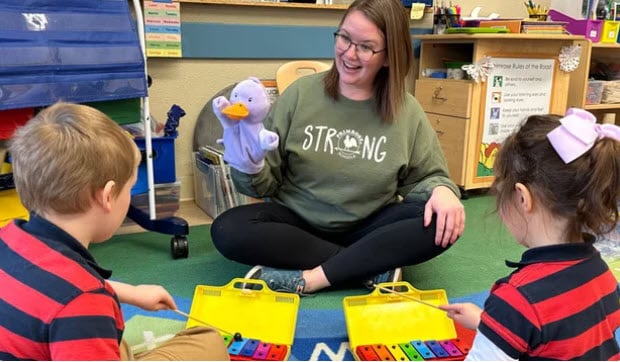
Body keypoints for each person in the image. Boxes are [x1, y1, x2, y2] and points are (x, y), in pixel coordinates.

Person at [210, 0, 465, 296]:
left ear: (389, 57)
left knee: (443, 222)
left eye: (366, 46)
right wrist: (249, 166)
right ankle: (366, 265)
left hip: (370, 224)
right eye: (344, 37)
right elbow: (261, 187)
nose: (349, 53)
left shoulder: (407, 111)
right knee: (228, 230)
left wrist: (443, 191)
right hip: (297, 224)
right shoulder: (300, 94)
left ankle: (314, 277)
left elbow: (428, 177)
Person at [0, 102, 229, 360]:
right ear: (108, 196)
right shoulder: (83, 304)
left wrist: (133, 293)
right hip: (75, 335)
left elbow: (50, 285)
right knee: (208, 342)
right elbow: (75, 295)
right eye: (129, 188)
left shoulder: (8, 238)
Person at [440, 108, 620, 360]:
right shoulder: (603, 275)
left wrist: (504, 318)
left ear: (523, 198)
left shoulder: (517, 301)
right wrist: (490, 324)